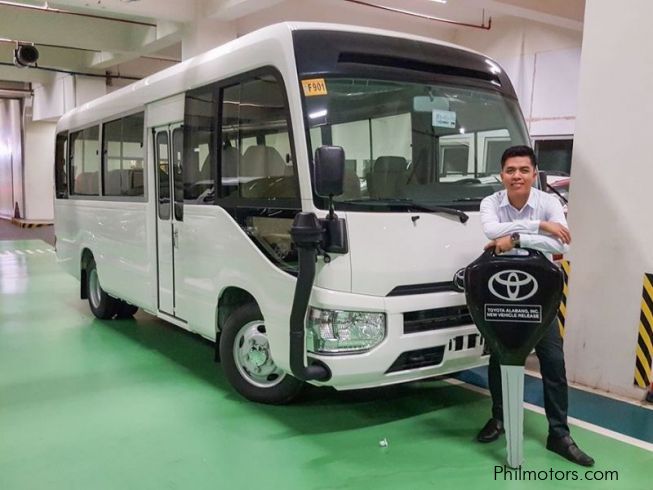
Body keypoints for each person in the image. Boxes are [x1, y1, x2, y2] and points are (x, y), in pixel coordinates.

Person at [476, 145, 594, 467]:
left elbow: (561, 244)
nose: (517, 176)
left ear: (534, 174)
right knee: (499, 357)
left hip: (540, 295)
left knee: (553, 361)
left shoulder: (548, 202)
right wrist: (540, 226)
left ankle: (559, 434)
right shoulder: (491, 203)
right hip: (501, 292)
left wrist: (515, 240)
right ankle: (499, 418)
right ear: (502, 175)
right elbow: (491, 230)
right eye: (510, 170)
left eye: (524, 170)